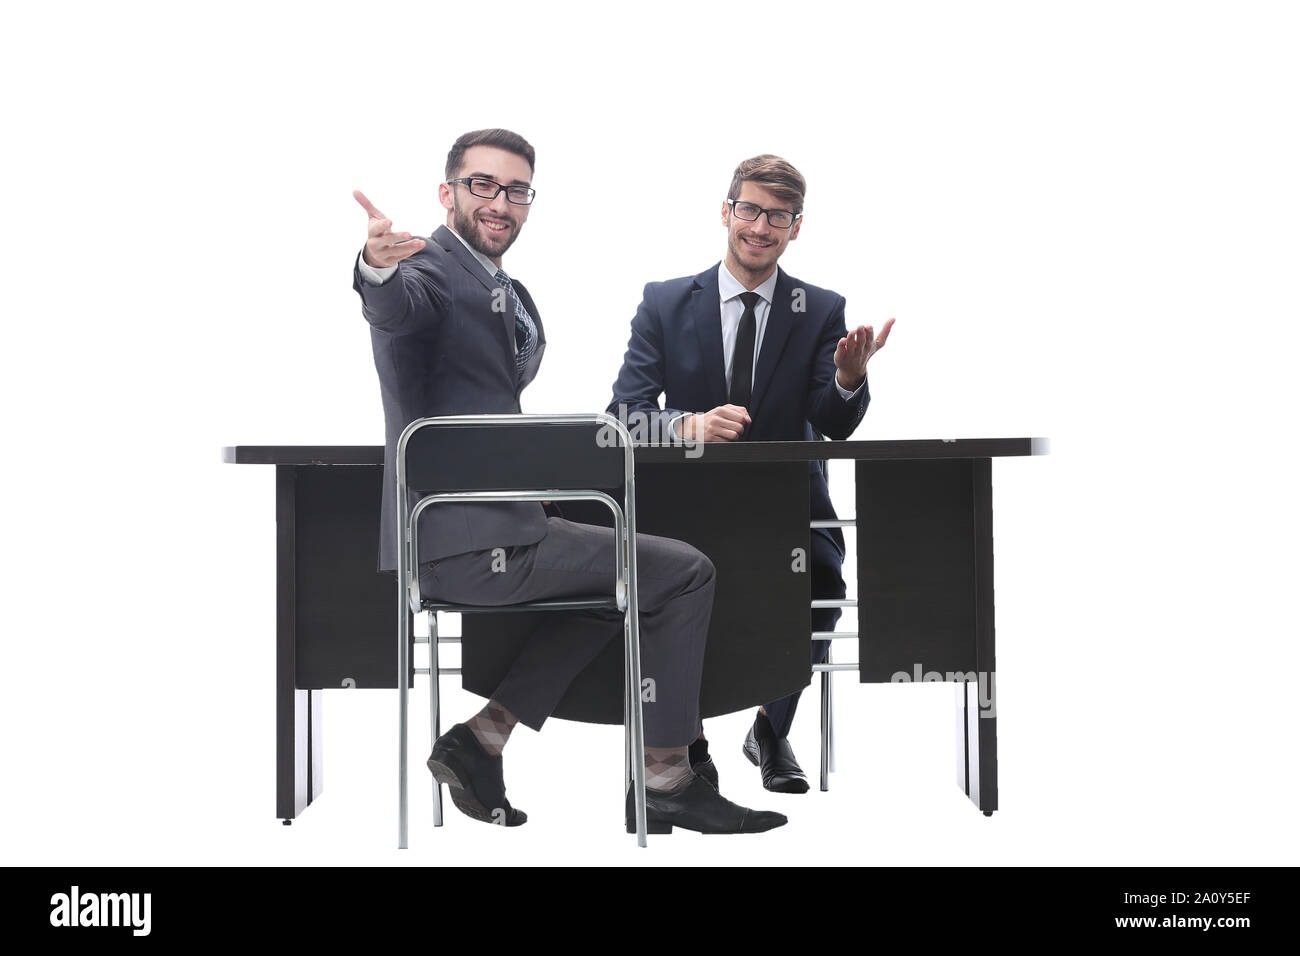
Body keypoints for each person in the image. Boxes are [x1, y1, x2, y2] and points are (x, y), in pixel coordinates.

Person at [352, 129, 785, 834]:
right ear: (447, 193)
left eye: (516, 190)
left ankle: (483, 738)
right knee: (686, 574)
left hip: (488, 528)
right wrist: (375, 267)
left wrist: (536, 485)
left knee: (617, 586)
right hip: (467, 540)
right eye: (482, 185)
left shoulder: (493, 281)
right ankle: (667, 776)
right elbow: (397, 307)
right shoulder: (429, 266)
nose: (500, 202)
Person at [608, 154, 894, 793]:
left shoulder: (819, 309)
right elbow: (622, 415)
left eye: (779, 216)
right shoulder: (664, 301)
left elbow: (834, 421)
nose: (762, 226)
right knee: (683, 598)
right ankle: (689, 741)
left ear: (797, 227)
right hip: (688, 504)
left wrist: (850, 378)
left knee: (823, 585)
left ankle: (770, 725)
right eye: (751, 210)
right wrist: (687, 425)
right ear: (726, 212)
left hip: (788, 504)